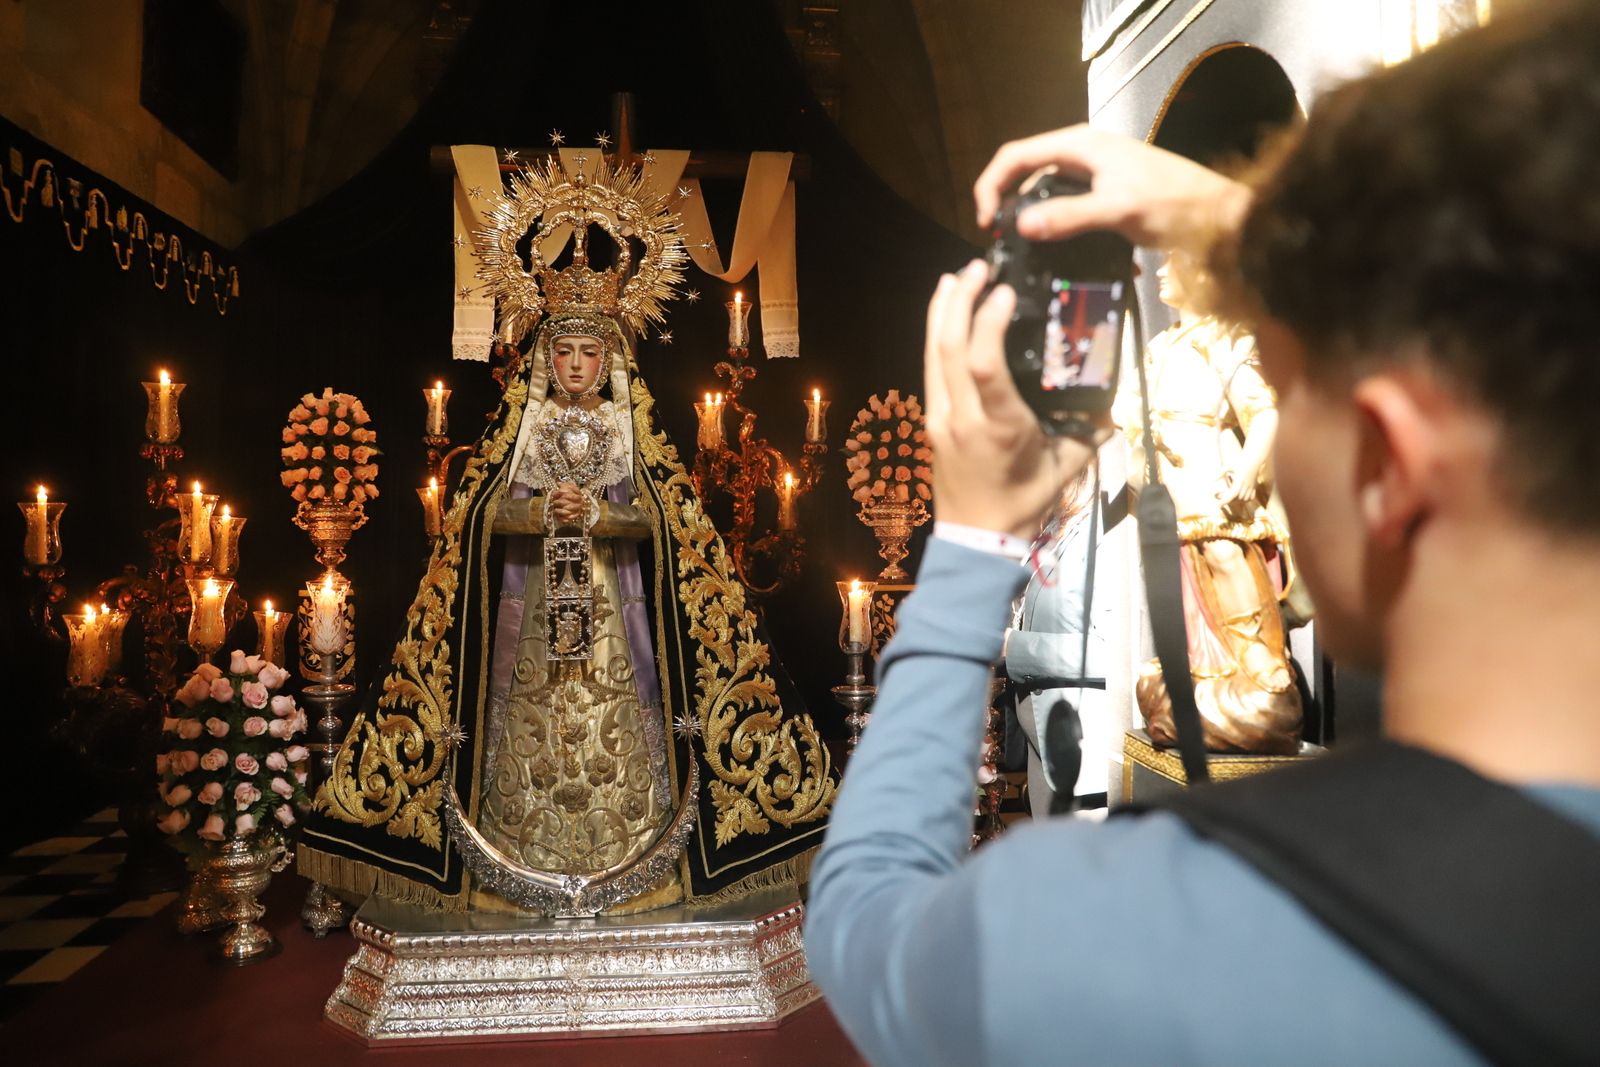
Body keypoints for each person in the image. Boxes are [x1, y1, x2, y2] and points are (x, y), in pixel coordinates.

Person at [805, 5, 1600, 1065]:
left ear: (1389, 464)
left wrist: (970, 547)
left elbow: (864, 918)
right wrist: (1243, 224)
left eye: (1280, 383)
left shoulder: (1122, 938)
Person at [299, 157, 836, 916]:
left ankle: (637, 856)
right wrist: (538, 514)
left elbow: (660, 523)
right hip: (532, 614)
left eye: (590, 352)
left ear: (611, 355)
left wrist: (600, 516)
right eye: (563, 351)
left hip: (616, 615)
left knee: (622, 721)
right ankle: (514, 859)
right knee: (527, 731)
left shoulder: (627, 426)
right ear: (544, 355)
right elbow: (482, 519)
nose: (577, 365)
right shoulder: (523, 429)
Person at [1117, 251, 1302, 753]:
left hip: (1212, 468)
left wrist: (1246, 471)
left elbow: (1263, 412)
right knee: (1182, 570)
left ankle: (1259, 661)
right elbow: (1129, 417)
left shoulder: (1225, 339)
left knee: (1224, 555)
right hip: (1170, 478)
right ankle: (1205, 665)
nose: (1158, 270)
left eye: (1172, 262)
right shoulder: (1160, 347)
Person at [1001, 473, 1112, 816]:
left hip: (1084, 758)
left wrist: (1012, 649)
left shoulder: (1107, 529)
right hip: (1045, 750)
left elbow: (1112, 653)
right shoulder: (1052, 528)